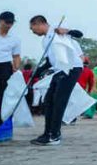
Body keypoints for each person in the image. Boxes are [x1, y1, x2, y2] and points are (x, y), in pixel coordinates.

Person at [29, 16, 84, 146]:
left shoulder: (57, 31)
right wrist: (37, 72)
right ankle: (47, 133)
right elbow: (50, 61)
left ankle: (54, 136)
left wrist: (67, 31)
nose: (33, 31)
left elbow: (79, 34)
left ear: (39, 23)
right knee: (48, 101)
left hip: (72, 67)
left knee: (59, 101)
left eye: (32, 28)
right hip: (59, 69)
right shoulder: (45, 41)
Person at [0, 11, 22, 129]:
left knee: (4, 99)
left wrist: (16, 67)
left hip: (5, 68)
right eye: (6, 22)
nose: (9, 25)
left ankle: (2, 127)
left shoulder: (15, 38)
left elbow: (16, 56)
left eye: (11, 23)